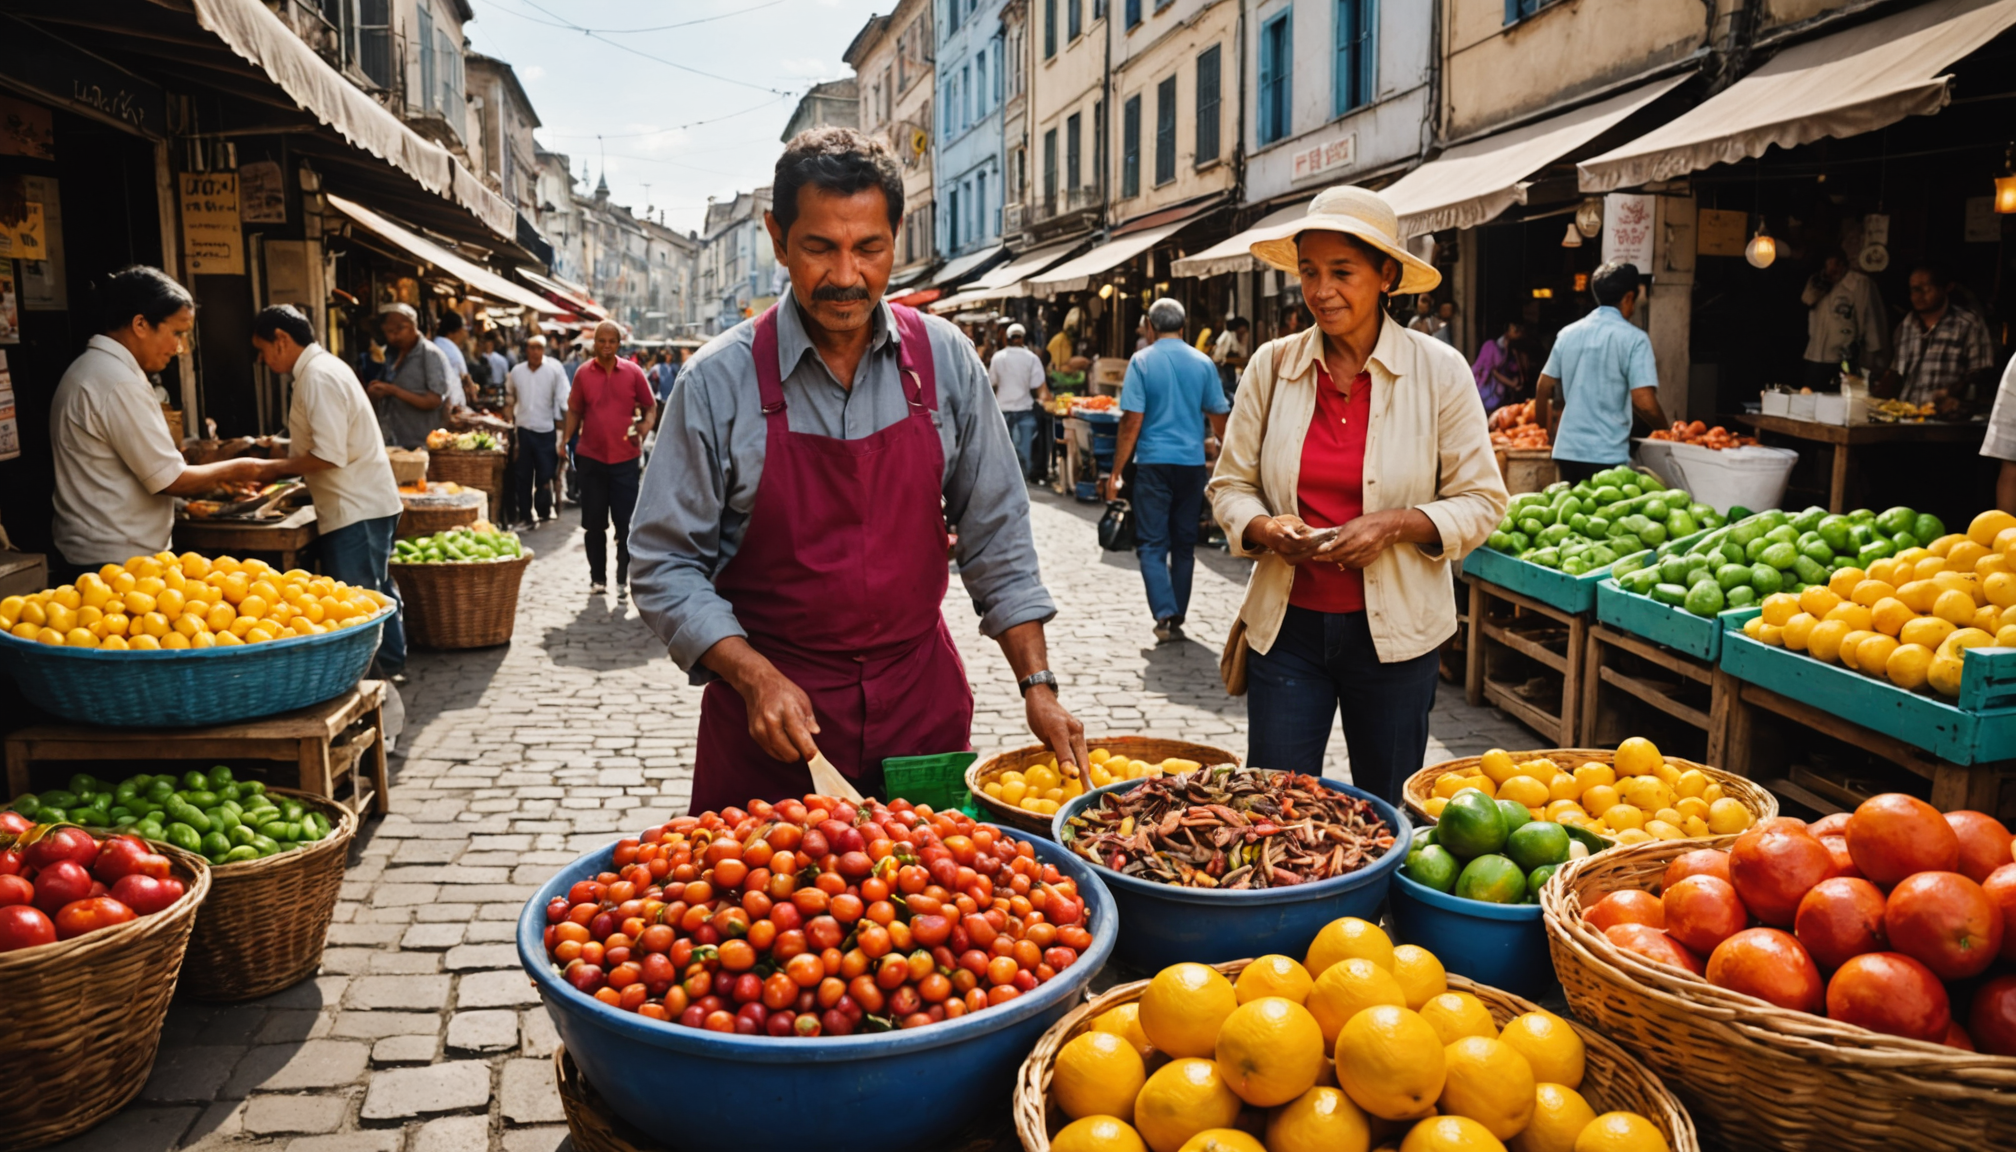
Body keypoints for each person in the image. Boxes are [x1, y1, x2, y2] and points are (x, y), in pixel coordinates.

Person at [630, 126, 1084, 813]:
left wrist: (1037, 685)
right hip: (774, 728)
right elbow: (663, 563)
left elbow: (997, 536)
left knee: (930, 907)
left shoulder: (946, 362)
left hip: (920, 712)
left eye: (869, 248)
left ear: (895, 237)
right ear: (778, 239)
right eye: (819, 248)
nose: (846, 276)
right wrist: (752, 677)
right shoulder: (715, 383)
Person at [1208, 186, 1508, 801]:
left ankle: (1377, 904)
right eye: (1310, 273)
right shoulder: (1271, 366)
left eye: (1342, 272)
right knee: (1274, 802)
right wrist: (1266, 529)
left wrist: (1396, 524)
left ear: (1387, 276)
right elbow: (1230, 485)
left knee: (1390, 801)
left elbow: (1482, 500)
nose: (1321, 291)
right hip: (1287, 630)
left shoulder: (1439, 370)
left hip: (1397, 635)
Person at [48, 266, 268, 581]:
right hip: (116, 563)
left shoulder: (92, 369)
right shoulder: (116, 382)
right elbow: (169, 479)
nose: (179, 348)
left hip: (104, 556)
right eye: (176, 333)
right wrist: (243, 468)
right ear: (140, 324)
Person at [246, 305, 408, 677]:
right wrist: (278, 448)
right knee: (377, 590)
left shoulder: (317, 376)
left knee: (359, 600)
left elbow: (328, 454)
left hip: (356, 506)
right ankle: (391, 667)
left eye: (263, 349)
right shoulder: (321, 370)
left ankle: (374, 680)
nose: (262, 359)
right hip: (363, 502)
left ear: (281, 341)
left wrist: (269, 468)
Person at [1108, 298, 1230, 643]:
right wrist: (1231, 460)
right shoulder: (1203, 362)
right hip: (1191, 465)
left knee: (1151, 543)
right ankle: (1178, 613)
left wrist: (1116, 471)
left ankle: (1163, 611)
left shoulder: (1142, 361)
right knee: (1184, 544)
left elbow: (1132, 420)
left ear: (1149, 326)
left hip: (1153, 465)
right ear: (1184, 325)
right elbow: (1220, 418)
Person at [1534, 261, 1668, 484]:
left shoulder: (1568, 334)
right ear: (1628, 298)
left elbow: (1543, 387)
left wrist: (1543, 434)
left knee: (1571, 515)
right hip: (1606, 454)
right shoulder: (1634, 339)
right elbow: (1643, 400)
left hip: (1566, 452)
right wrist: (1667, 431)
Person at [563, 320, 657, 595]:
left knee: (625, 524)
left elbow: (650, 406)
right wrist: (565, 441)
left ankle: (622, 577)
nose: (605, 346)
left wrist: (645, 426)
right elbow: (574, 412)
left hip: (625, 459)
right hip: (591, 458)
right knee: (593, 523)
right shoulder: (582, 374)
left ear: (618, 344)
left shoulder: (633, 372)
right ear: (594, 343)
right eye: (601, 341)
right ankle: (597, 578)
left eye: (611, 342)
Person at [1880, 260, 1996, 414]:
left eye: (1926, 289)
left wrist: (1952, 393)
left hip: (1947, 421)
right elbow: (1897, 374)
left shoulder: (1968, 323)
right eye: (1914, 289)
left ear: (1947, 288)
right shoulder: (1905, 326)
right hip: (1907, 418)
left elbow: (1982, 373)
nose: (1918, 295)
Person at [506, 334, 570, 528]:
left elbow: (563, 401)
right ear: (526, 350)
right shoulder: (517, 372)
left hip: (546, 430)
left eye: (539, 348)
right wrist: (510, 421)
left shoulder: (553, 371)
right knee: (523, 475)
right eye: (532, 348)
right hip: (524, 429)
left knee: (545, 474)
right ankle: (526, 516)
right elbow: (510, 396)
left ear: (544, 351)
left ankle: (543, 510)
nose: (535, 352)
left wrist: (566, 436)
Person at [1801, 250, 1887, 391]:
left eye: (1835, 264)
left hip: (1845, 355)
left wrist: (1873, 359)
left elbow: (1871, 320)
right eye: (1828, 265)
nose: (1832, 269)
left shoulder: (1859, 283)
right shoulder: (1819, 281)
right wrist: (1823, 282)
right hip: (1816, 354)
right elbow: (1807, 300)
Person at [369, 304, 451, 448]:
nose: (395, 335)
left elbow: (435, 400)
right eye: (389, 331)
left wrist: (393, 390)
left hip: (420, 443)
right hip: (392, 441)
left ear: (414, 326)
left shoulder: (430, 354)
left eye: (401, 328)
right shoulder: (390, 355)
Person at [989, 322, 1048, 480]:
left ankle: (1004, 479)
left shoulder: (998, 357)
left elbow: (992, 382)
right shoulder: (1032, 358)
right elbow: (1038, 385)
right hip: (1024, 410)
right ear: (1022, 338)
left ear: (1008, 338)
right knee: (1024, 450)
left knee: (1003, 449)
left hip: (1002, 409)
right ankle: (1022, 482)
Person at [1471, 319, 1528, 411]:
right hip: (1486, 391)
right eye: (1514, 328)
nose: (1517, 331)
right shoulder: (1491, 345)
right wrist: (1512, 384)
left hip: (1500, 394)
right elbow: (1493, 372)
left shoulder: (1510, 348)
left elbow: (1517, 370)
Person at [432, 310, 471, 411]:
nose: (465, 333)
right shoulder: (449, 348)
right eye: (464, 328)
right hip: (451, 406)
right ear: (455, 331)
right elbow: (465, 377)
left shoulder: (438, 344)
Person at [1213, 316, 1250, 398]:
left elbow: (1242, 354)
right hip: (1222, 370)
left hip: (1230, 370)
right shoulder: (1228, 336)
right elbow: (1217, 358)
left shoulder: (1240, 337)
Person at [481, 333, 511, 400]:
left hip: (497, 390)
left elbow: (506, 377)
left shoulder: (501, 360)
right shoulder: (481, 358)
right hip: (485, 391)